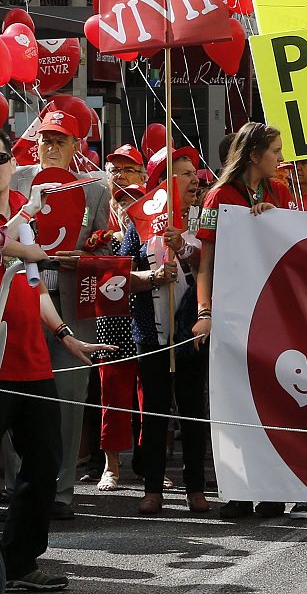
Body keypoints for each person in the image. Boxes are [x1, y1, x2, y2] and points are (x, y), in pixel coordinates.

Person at [1, 130, 114, 592]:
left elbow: (35, 284)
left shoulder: (17, 208)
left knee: (44, 464)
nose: (11, 163)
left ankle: (21, 562)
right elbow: (22, 253)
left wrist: (66, 336)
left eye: (6, 154)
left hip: (33, 365)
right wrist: (26, 243)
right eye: (4, 158)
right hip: (1, 364)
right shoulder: (18, 217)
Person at [194, 122, 294, 520]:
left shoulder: (281, 192)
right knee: (233, 402)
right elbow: (206, 263)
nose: (280, 158)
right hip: (232, 317)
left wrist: (272, 221)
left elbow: (293, 246)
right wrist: (205, 313)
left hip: (272, 315)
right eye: (274, 151)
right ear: (254, 155)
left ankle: (271, 490)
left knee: (272, 401)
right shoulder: (218, 197)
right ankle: (236, 492)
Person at [126, 145, 210, 515]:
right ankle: (152, 488)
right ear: (164, 183)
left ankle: (195, 487)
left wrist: (187, 252)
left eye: (194, 173)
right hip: (152, 335)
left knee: (193, 409)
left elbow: (213, 268)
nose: (195, 179)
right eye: (185, 173)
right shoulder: (137, 223)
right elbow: (120, 276)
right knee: (155, 412)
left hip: (192, 333)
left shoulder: (204, 222)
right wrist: (153, 276)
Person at [89, 144, 148, 493]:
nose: (121, 176)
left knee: (149, 396)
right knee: (111, 392)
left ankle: (148, 462)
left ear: (143, 177)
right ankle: (110, 467)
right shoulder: (97, 213)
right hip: (107, 317)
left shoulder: (151, 213)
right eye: (115, 169)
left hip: (144, 315)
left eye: (128, 170)